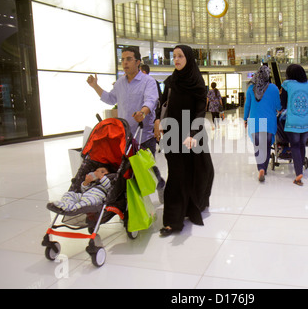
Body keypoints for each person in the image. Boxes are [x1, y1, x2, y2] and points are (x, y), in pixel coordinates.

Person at [87, 47, 166, 202]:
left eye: (129, 59)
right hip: (125, 137)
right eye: (123, 59)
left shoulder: (147, 81)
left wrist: (142, 113)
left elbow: (151, 101)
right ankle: (136, 204)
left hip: (144, 136)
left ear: (138, 62)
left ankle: (161, 185)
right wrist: (95, 86)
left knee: (148, 170)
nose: (125, 63)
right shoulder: (120, 83)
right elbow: (110, 99)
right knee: (128, 172)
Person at [154, 45, 214, 236]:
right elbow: (163, 103)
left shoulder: (196, 81)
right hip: (173, 133)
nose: (177, 59)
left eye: (180, 56)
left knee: (202, 170)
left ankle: (197, 203)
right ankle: (173, 220)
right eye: (174, 56)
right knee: (177, 175)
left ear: (188, 58)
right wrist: (159, 122)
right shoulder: (172, 80)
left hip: (193, 134)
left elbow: (199, 110)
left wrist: (192, 133)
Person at [243, 65, 281, 182]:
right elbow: (278, 106)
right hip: (269, 121)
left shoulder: (251, 89)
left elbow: (247, 105)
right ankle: (264, 168)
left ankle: (260, 168)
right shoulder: (274, 88)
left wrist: (245, 119)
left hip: (255, 121)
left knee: (258, 147)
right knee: (267, 145)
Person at [280, 64, 308, 186]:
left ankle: (298, 173)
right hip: (306, 120)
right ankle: (300, 168)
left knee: (294, 146)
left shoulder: (287, 85)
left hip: (293, 121)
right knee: (302, 145)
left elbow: (283, 103)